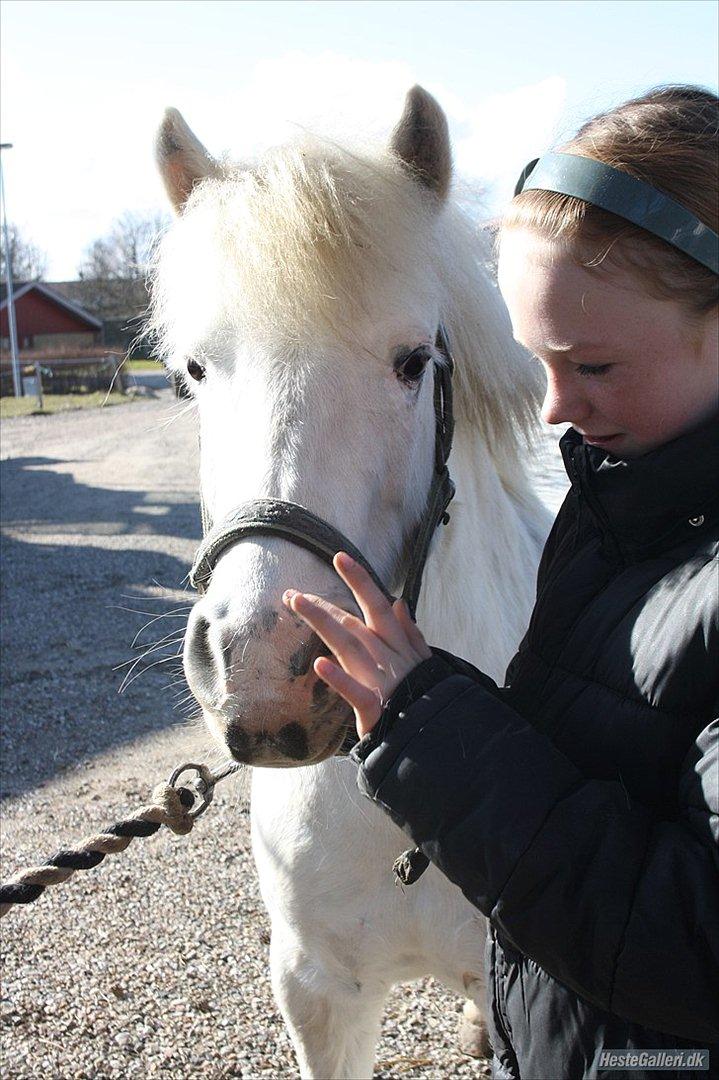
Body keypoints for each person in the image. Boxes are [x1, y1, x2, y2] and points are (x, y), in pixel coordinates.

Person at [281, 86, 719, 1079]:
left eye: (592, 363)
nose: (555, 411)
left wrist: (436, 739)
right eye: (534, 363)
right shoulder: (631, 492)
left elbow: (692, 944)